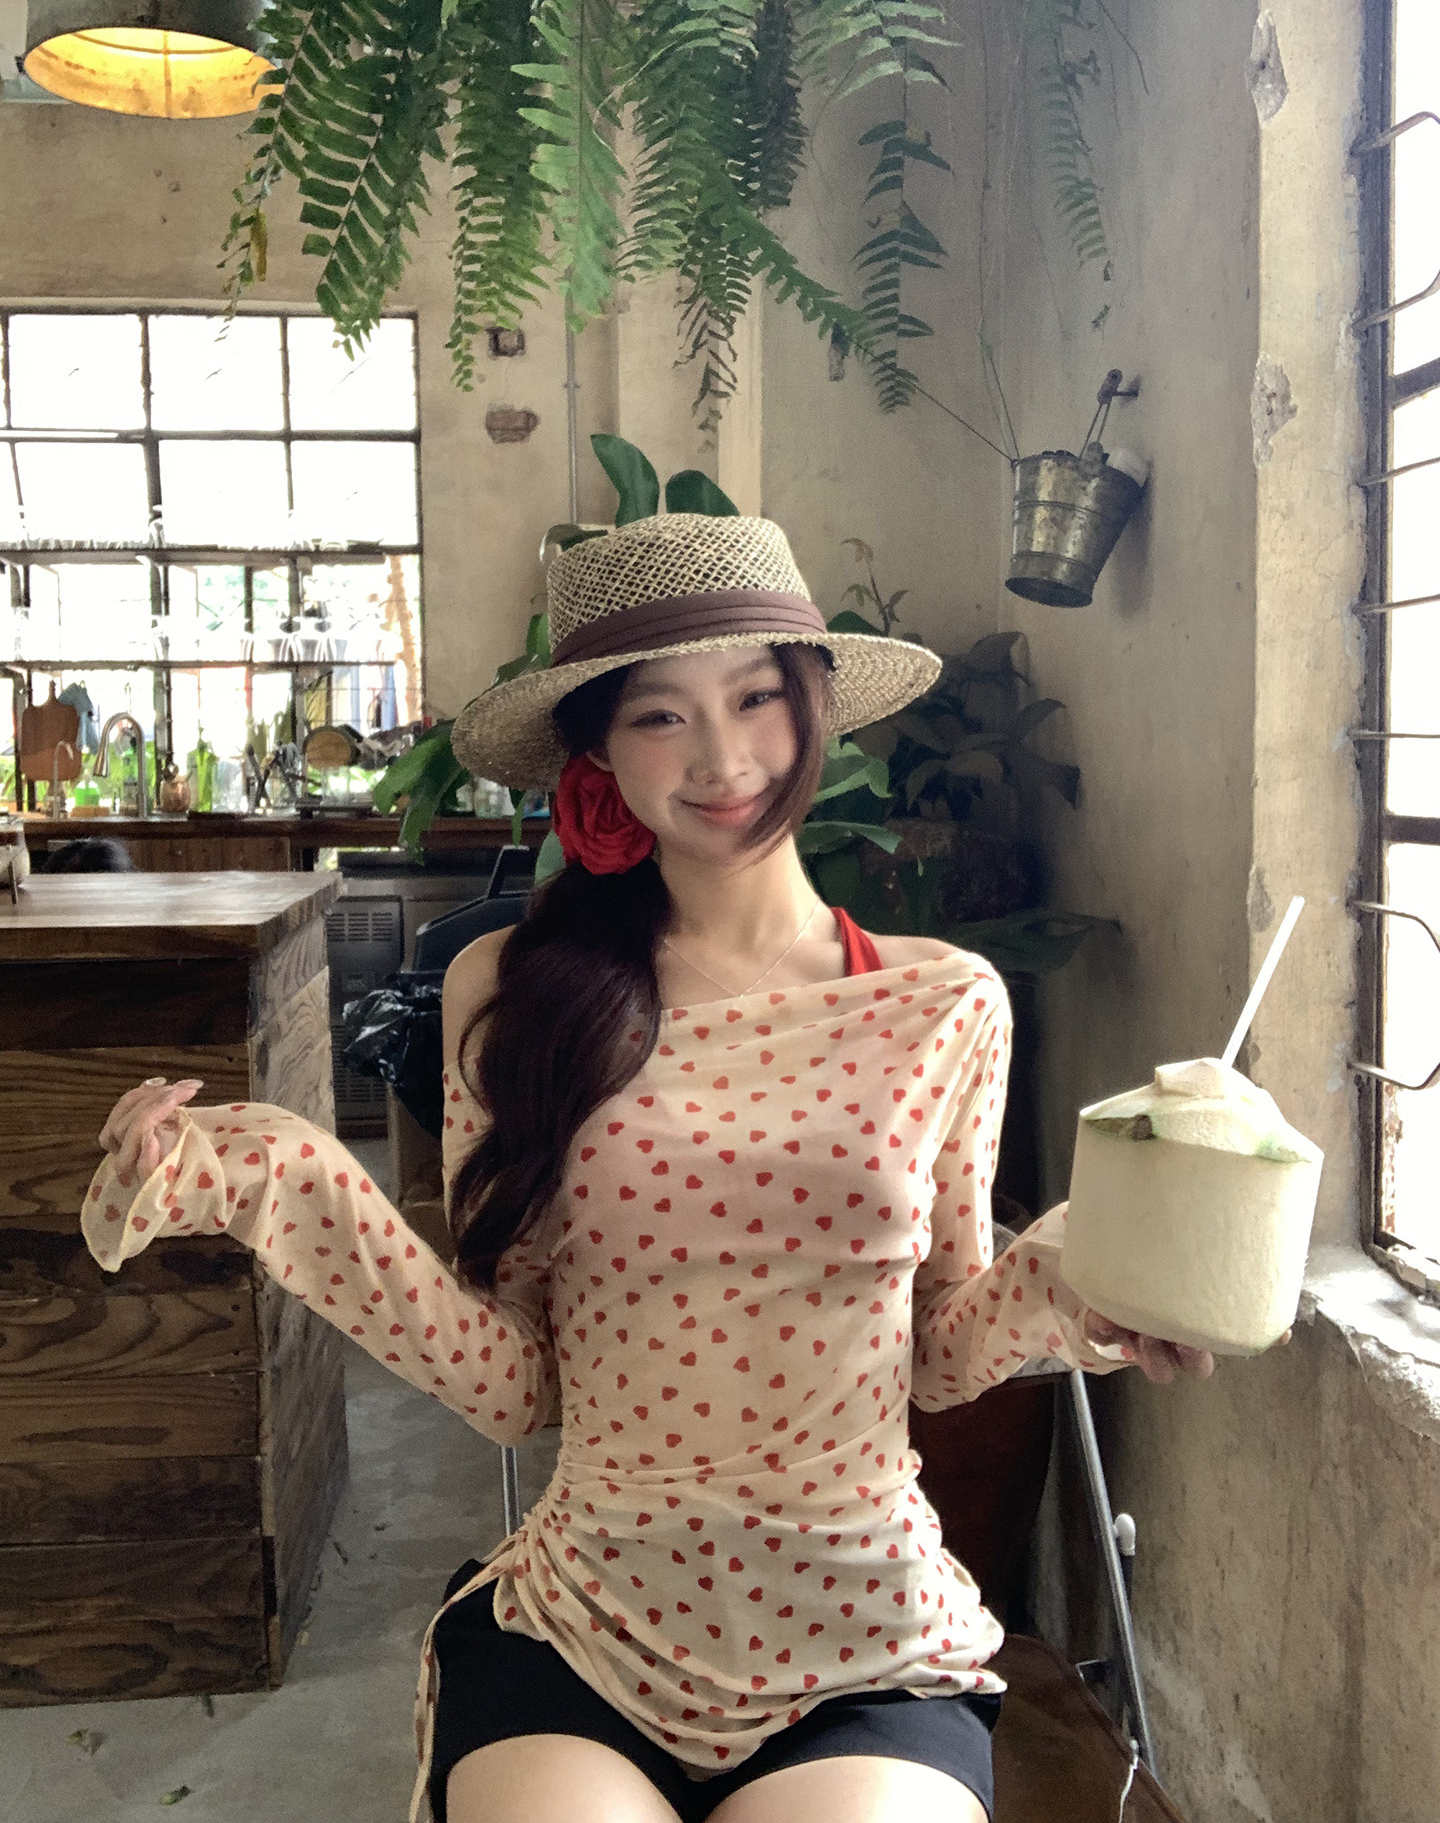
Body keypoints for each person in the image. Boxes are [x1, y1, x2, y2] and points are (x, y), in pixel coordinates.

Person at [90, 514, 1212, 1823]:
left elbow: (937, 1353)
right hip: (587, 1623)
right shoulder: (515, 992)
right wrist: (285, 1181)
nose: (723, 758)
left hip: (864, 1634)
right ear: (599, 759)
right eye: (661, 717)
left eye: (755, 698)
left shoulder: (942, 1002)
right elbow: (515, 1382)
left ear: (814, 706)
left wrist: (1073, 1282)